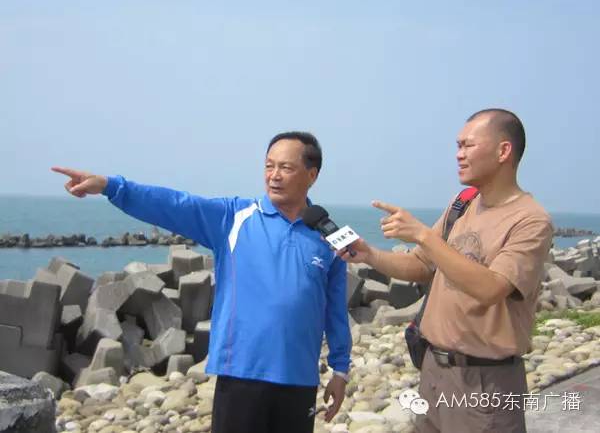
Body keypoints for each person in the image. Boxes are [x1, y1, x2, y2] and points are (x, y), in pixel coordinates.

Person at [52, 132, 351, 433]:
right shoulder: (234, 217)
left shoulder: (329, 238)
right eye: (268, 166)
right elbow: (175, 205)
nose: (274, 176)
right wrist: (110, 186)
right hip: (240, 376)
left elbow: (335, 310)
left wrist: (341, 370)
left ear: (311, 175)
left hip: (298, 379)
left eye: (285, 168)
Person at [338, 109, 553, 432]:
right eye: (457, 146)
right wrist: (369, 254)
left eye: (467, 145)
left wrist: (423, 234)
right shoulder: (463, 203)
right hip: (434, 371)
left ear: (503, 151)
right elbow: (422, 264)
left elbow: (492, 288)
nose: (459, 154)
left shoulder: (530, 220)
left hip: (486, 381)